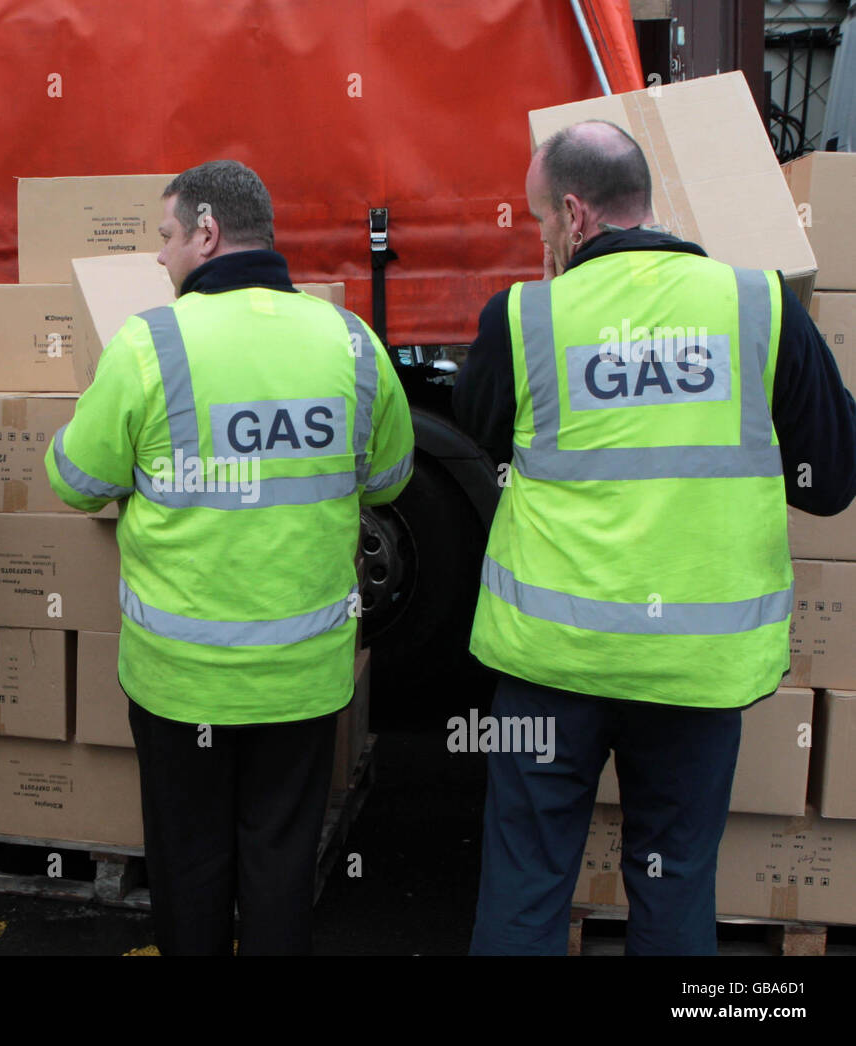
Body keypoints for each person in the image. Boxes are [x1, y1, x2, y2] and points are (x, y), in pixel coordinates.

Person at [453, 121, 856, 955]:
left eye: (540, 224)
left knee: (525, 887)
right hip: (695, 673)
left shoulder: (524, 317)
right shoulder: (761, 303)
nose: (543, 242)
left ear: (573, 215)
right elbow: (834, 480)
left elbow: (482, 438)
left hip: (550, 665)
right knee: (674, 890)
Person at [45, 160, 414, 955]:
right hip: (302, 676)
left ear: (207, 233)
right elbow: (389, 474)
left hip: (183, 679)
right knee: (281, 858)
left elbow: (77, 482)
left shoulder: (152, 344)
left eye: (168, 236)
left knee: (189, 861)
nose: (159, 256)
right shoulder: (348, 341)